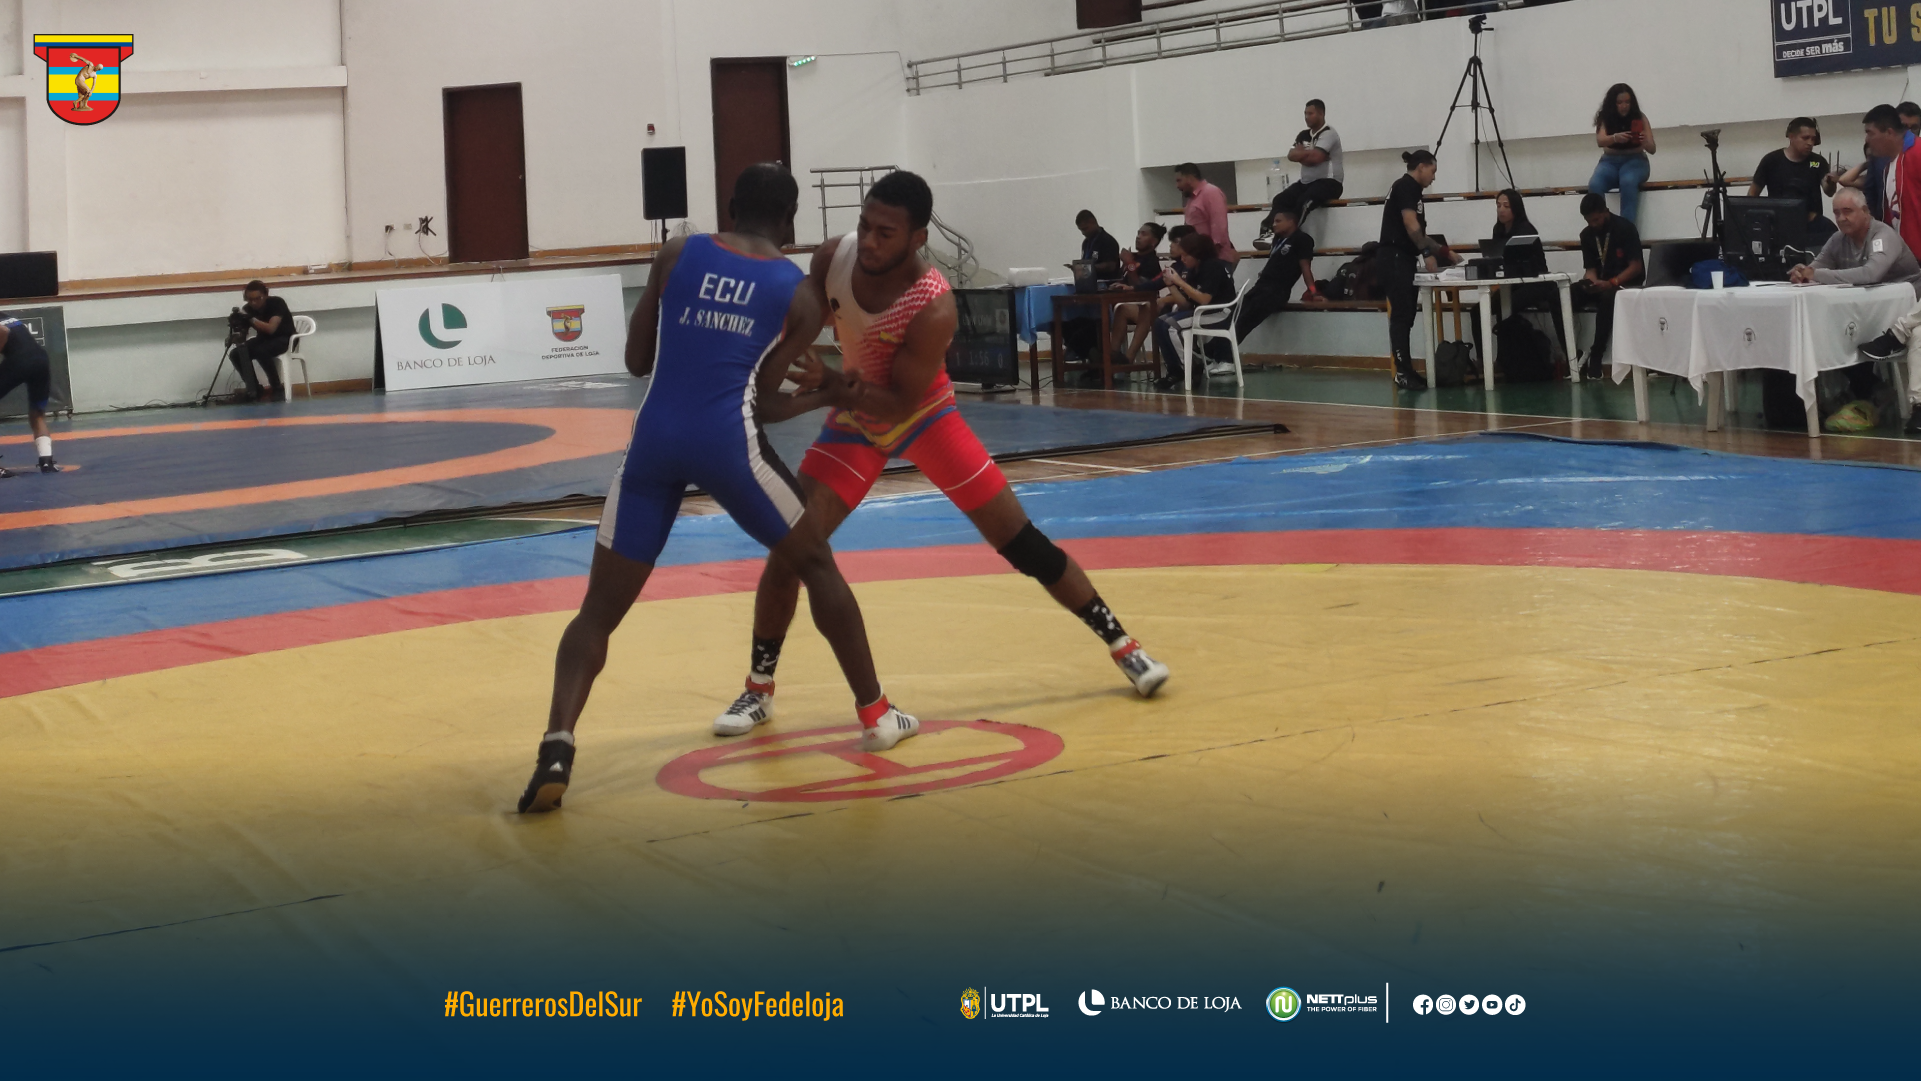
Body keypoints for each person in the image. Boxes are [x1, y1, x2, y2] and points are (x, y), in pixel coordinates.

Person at [711, 170, 1170, 740]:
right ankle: (758, 689)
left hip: (923, 418)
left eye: (885, 233)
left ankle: (1123, 645)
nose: (869, 241)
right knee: (790, 550)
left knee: (1022, 543)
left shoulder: (932, 305)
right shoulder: (834, 258)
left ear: (918, 238)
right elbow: (799, 327)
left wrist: (827, 387)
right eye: (864, 226)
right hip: (855, 420)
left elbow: (900, 402)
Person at [515, 163, 917, 814]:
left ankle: (557, 745)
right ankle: (875, 714)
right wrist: (826, 396)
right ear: (789, 220)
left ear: (730, 207)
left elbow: (636, 362)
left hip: (653, 444)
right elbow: (763, 406)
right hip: (728, 446)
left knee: (596, 613)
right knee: (815, 562)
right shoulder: (797, 294)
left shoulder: (677, 253)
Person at [1378, 149, 1456, 390]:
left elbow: (1419, 233)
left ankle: (1407, 369)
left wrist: (1446, 252)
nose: (1434, 177)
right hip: (1394, 257)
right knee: (1401, 315)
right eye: (1433, 171)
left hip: (1403, 258)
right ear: (1421, 167)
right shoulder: (1406, 187)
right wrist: (1426, 253)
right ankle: (1402, 371)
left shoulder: (1413, 192)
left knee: (1407, 315)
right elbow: (1411, 225)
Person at [1151, 232, 1239, 387]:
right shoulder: (1194, 269)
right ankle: (1175, 369)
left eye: (1186, 255)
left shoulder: (1212, 267)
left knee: (1171, 325)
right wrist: (1171, 285)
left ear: (1198, 255)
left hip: (1219, 313)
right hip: (1202, 311)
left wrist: (1180, 282)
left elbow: (1204, 299)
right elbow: (1185, 304)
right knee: (1159, 322)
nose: (1183, 259)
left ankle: (1187, 368)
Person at [1572, 191, 1643, 380]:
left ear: (1605, 211)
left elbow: (1636, 267)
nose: (1593, 224)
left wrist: (1612, 282)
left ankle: (1596, 354)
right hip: (1602, 282)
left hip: (1624, 283)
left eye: (1596, 220)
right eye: (1589, 221)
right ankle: (1571, 354)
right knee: (1563, 295)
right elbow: (1590, 269)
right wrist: (1591, 282)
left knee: (1609, 298)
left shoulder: (1625, 228)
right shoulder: (1587, 235)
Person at [1789, 188, 1920, 289]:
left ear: (1865, 211)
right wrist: (1801, 273)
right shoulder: (1837, 239)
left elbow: (1871, 275)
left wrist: (1815, 274)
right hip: (1872, 302)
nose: (1841, 218)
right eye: (1837, 213)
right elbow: (1815, 268)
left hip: (1909, 304)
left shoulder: (1883, 235)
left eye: (1847, 211)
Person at [1260, 99, 1343, 246]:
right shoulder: (1303, 135)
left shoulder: (1329, 133)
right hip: (1306, 183)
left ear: (1321, 114)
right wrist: (1308, 155)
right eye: (1305, 113)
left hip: (1329, 183)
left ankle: (1288, 234)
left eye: (1310, 114)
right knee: (1280, 199)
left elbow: (1316, 158)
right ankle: (1270, 231)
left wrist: (1302, 155)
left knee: (1304, 201)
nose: (1306, 117)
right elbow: (1291, 155)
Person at [1236, 206, 1321, 344]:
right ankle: (1210, 350)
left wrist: (1314, 292)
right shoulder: (1278, 240)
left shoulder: (1302, 239)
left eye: (1278, 221)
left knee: (1243, 322)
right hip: (1260, 286)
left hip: (1276, 291)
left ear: (1291, 221)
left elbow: (1305, 268)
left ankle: (1223, 354)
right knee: (1234, 315)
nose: (1274, 225)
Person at [1750, 118, 1839, 246]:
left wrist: (1831, 183)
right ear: (1791, 137)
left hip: (1812, 226)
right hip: (1779, 226)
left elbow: (1829, 191)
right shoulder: (1771, 161)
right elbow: (1752, 195)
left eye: (1813, 139)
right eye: (1805, 138)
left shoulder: (1818, 161)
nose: (1810, 143)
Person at [0, 312, 59, 476]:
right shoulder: (7, 316)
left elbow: (3, 331)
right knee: (37, 413)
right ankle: (46, 461)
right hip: (40, 359)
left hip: (18, 361)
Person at [1589, 83, 1655, 225]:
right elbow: (1600, 140)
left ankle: (1626, 228)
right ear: (1613, 104)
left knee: (1628, 182)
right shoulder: (1605, 118)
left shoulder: (1640, 117)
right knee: (1595, 184)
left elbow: (1652, 149)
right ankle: (1602, 226)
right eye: (1619, 103)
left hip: (1635, 160)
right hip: (1609, 161)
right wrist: (1615, 138)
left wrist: (1644, 141)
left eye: (1627, 102)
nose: (1624, 106)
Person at [1108, 222, 1167, 364]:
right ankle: (1104, 357)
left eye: (1144, 234)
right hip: (1123, 301)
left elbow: (1141, 288)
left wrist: (1130, 264)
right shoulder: (1133, 257)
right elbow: (1123, 280)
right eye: (1138, 233)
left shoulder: (1151, 262)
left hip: (1144, 306)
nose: (1138, 237)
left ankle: (1118, 357)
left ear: (1153, 241)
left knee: (1122, 309)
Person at [228, 280, 294, 402]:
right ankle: (254, 389)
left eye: (257, 299)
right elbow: (243, 336)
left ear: (265, 295)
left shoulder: (277, 303)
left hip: (284, 338)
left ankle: (277, 388)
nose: (253, 303)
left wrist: (251, 319)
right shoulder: (247, 309)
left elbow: (271, 329)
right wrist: (235, 333)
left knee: (261, 351)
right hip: (263, 339)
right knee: (236, 353)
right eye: (250, 299)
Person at [1175, 163, 1236, 265]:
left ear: (1190, 178)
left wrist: (1212, 255)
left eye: (1179, 180)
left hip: (1214, 259)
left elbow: (1219, 225)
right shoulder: (1192, 199)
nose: (1177, 186)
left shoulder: (1211, 192)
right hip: (1199, 258)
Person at [1075, 210, 1122, 279]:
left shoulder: (1108, 241)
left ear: (1093, 222)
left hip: (1106, 282)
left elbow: (1111, 266)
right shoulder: (1086, 243)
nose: (1083, 233)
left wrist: (1089, 268)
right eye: (1081, 230)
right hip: (1088, 281)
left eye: (1085, 229)